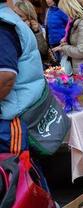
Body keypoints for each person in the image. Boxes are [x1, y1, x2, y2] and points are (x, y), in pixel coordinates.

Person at [0, 0, 45, 153]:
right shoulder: (8, 19)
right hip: (15, 115)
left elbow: (6, 77)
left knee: (14, 171)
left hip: (9, 120)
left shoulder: (3, 25)